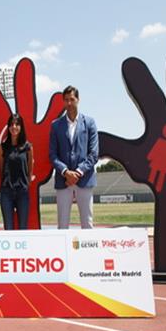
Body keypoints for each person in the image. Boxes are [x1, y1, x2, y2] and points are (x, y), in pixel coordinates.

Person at [49, 85, 99, 229]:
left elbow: (94, 153)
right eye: (66, 100)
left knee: (87, 224)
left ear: (78, 99)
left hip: (85, 179)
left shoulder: (89, 123)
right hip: (63, 181)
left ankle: (89, 253)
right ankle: (64, 253)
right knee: (62, 225)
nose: (69, 103)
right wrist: (65, 172)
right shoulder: (55, 125)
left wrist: (78, 172)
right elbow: (52, 154)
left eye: (72, 99)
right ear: (63, 102)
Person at [0, 114, 34, 230]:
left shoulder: (28, 147)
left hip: (22, 191)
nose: (14, 127)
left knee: (23, 227)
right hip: (6, 192)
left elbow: (30, 163)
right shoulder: (3, 147)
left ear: (21, 127)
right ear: (8, 127)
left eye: (17, 124)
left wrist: (28, 180)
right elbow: (1, 166)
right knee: (8, 227)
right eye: (11, 124)